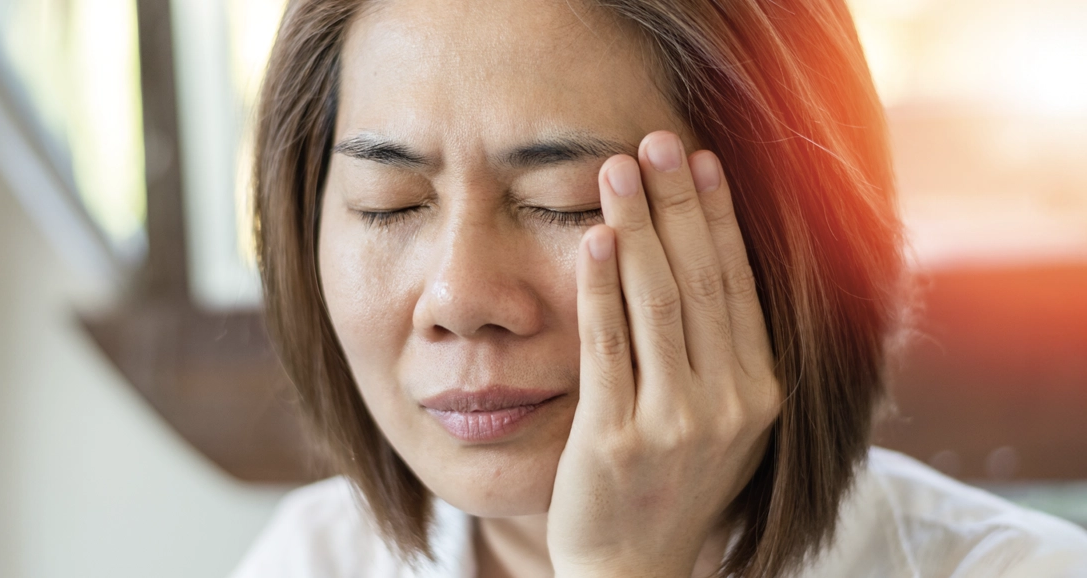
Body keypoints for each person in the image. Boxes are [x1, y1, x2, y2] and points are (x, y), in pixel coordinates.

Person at [230, 0, 1087, 576]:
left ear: (783, 235)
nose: (459, 297)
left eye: (562, 203)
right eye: (391, 206)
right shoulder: (314, 559)